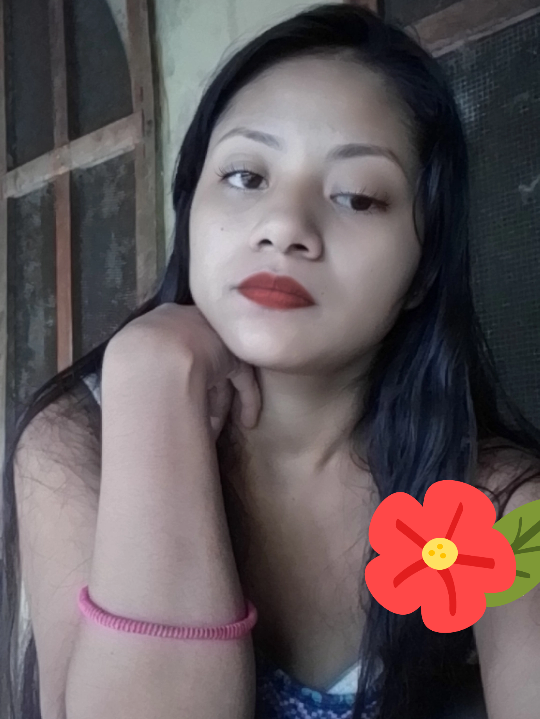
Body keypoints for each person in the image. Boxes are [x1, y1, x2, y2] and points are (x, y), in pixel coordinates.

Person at [2, 3, 540, 719]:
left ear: (423, 271)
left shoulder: (499, 509)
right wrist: (151, 379)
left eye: (358, 197)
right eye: (246, 176)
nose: (285, 226)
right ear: (189, 210)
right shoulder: (78, 443)